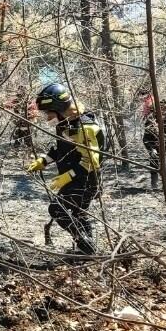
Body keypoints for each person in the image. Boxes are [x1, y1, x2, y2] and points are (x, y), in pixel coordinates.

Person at [25, 81, 104, 254]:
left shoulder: (85, 127)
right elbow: (60, 149)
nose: (47, 117)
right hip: (75, 178)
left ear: (59, 108)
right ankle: (88, 251)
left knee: (57, 209)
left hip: (86, 179)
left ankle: (86, 246)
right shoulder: (65, 123)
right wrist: (44, 161)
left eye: (49, 112)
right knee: (78, 214)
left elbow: (92, 162)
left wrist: (67, 177)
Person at [141, 91, 166, 190]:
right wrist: (151, 149)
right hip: (154, 144)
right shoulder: (151, 119)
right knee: (154, 162)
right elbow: (146, 138)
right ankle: (154, 184)